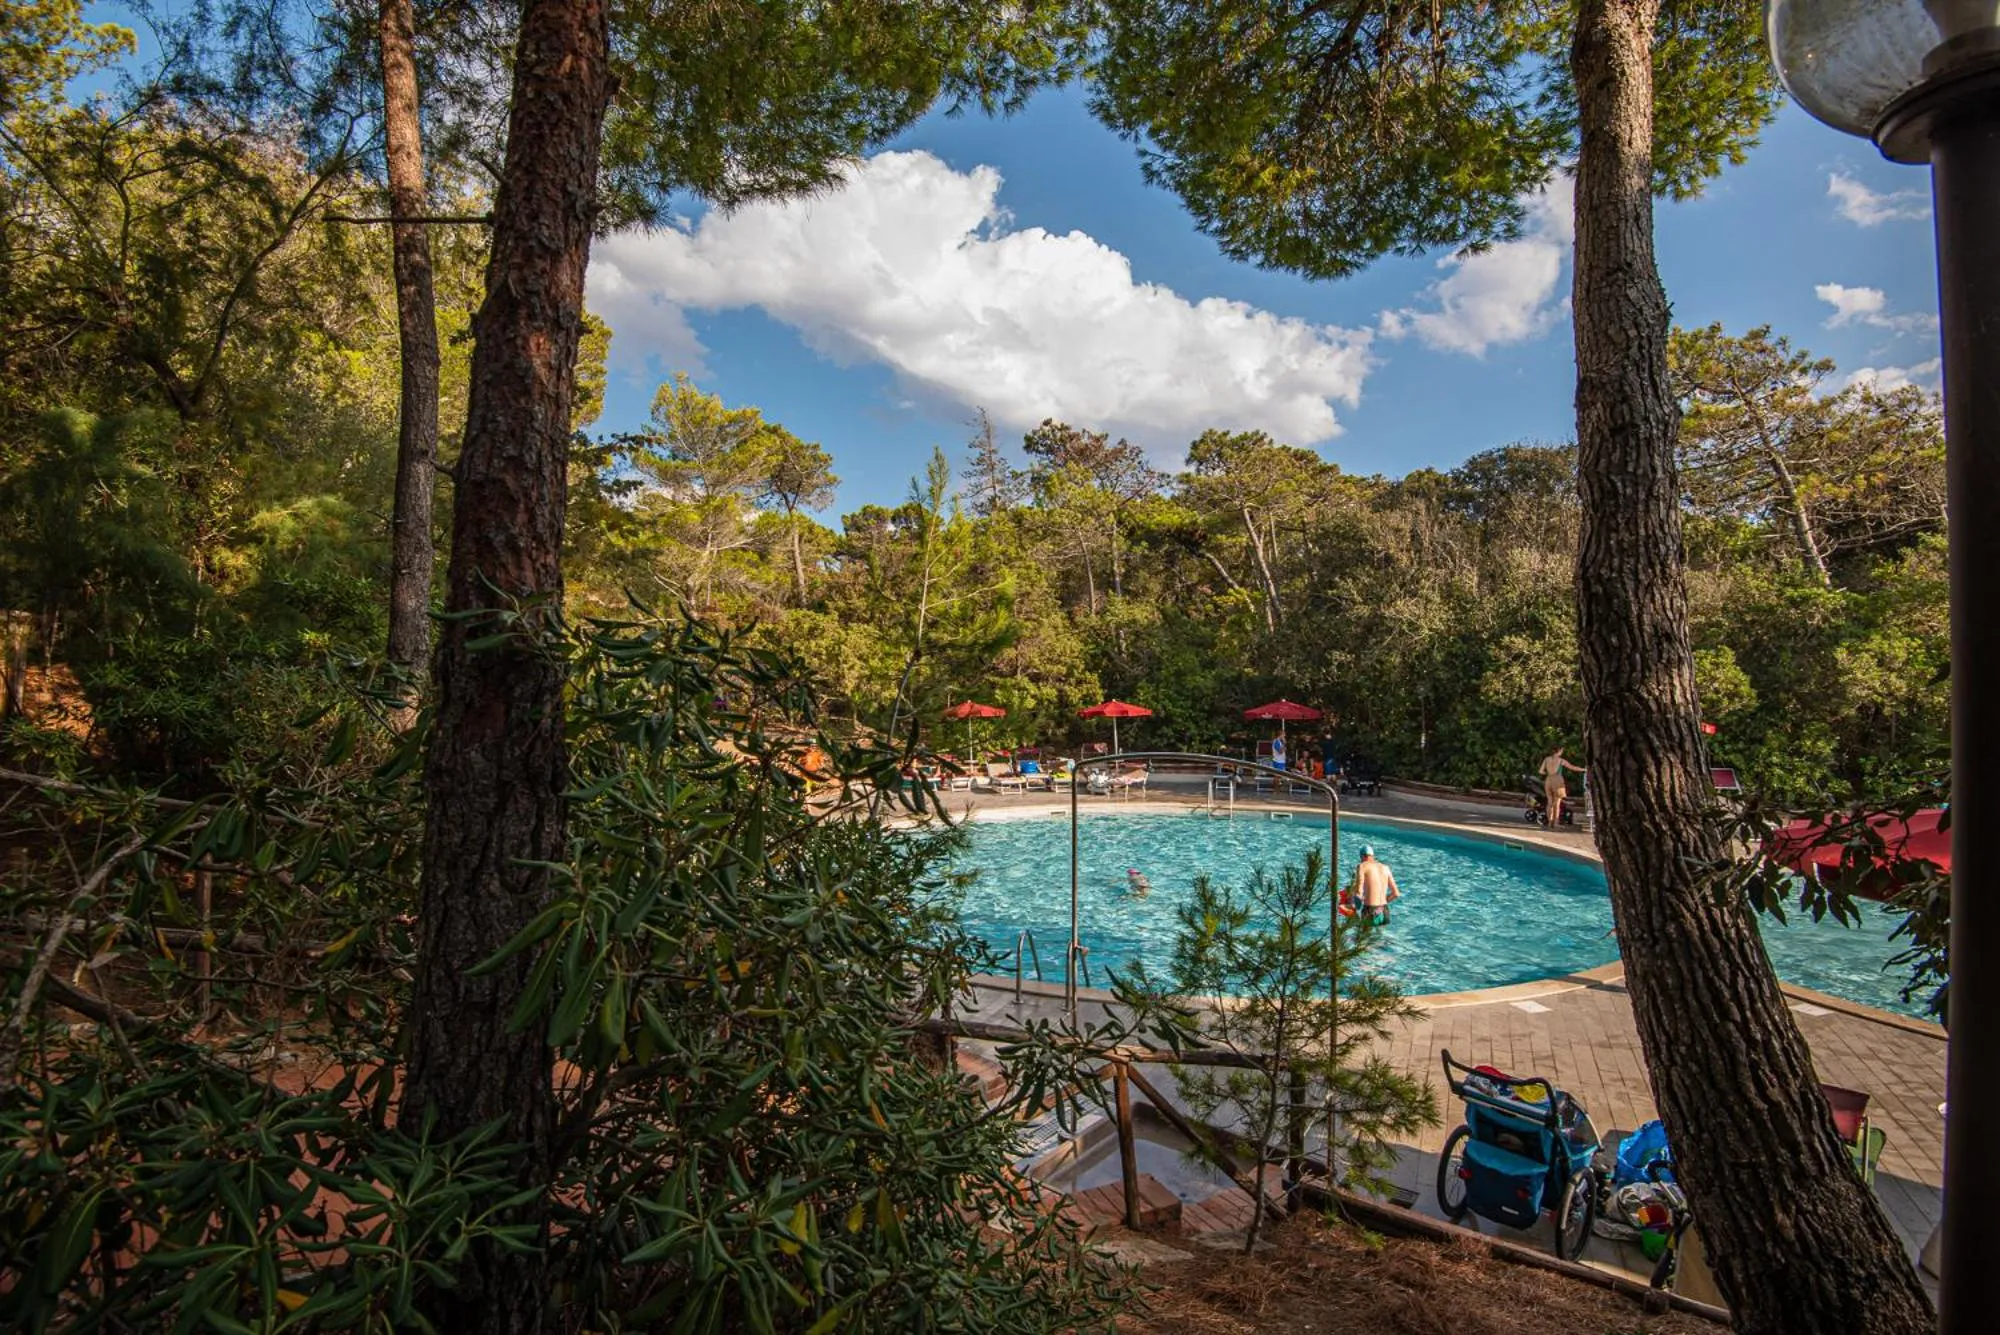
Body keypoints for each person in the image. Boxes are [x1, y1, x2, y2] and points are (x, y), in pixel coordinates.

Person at [1537, 745, 1587, 828]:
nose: (1562, 752)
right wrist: (1584, 769)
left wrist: (1548, 774)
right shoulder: (1561, 761)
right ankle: (1556, 823)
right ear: (1559, 751)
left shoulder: (1546, 759)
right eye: (1561, 751)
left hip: (1548, 779)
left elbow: (1540, 771)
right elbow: (1573, 767)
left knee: (1549, 802)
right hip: (1558, 780)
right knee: (1557, 803)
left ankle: (1550, 822)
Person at [1351, 845, 1400, 926]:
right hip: (1384, 912)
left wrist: (1351, 903)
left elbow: (1359, 891)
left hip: (1370, 912)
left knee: (1361, 938)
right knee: (1380, 938)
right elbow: (1396, 893)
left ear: (1362, 856)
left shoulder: (1362, 866)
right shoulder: (1385, 867)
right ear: (1372, 856)